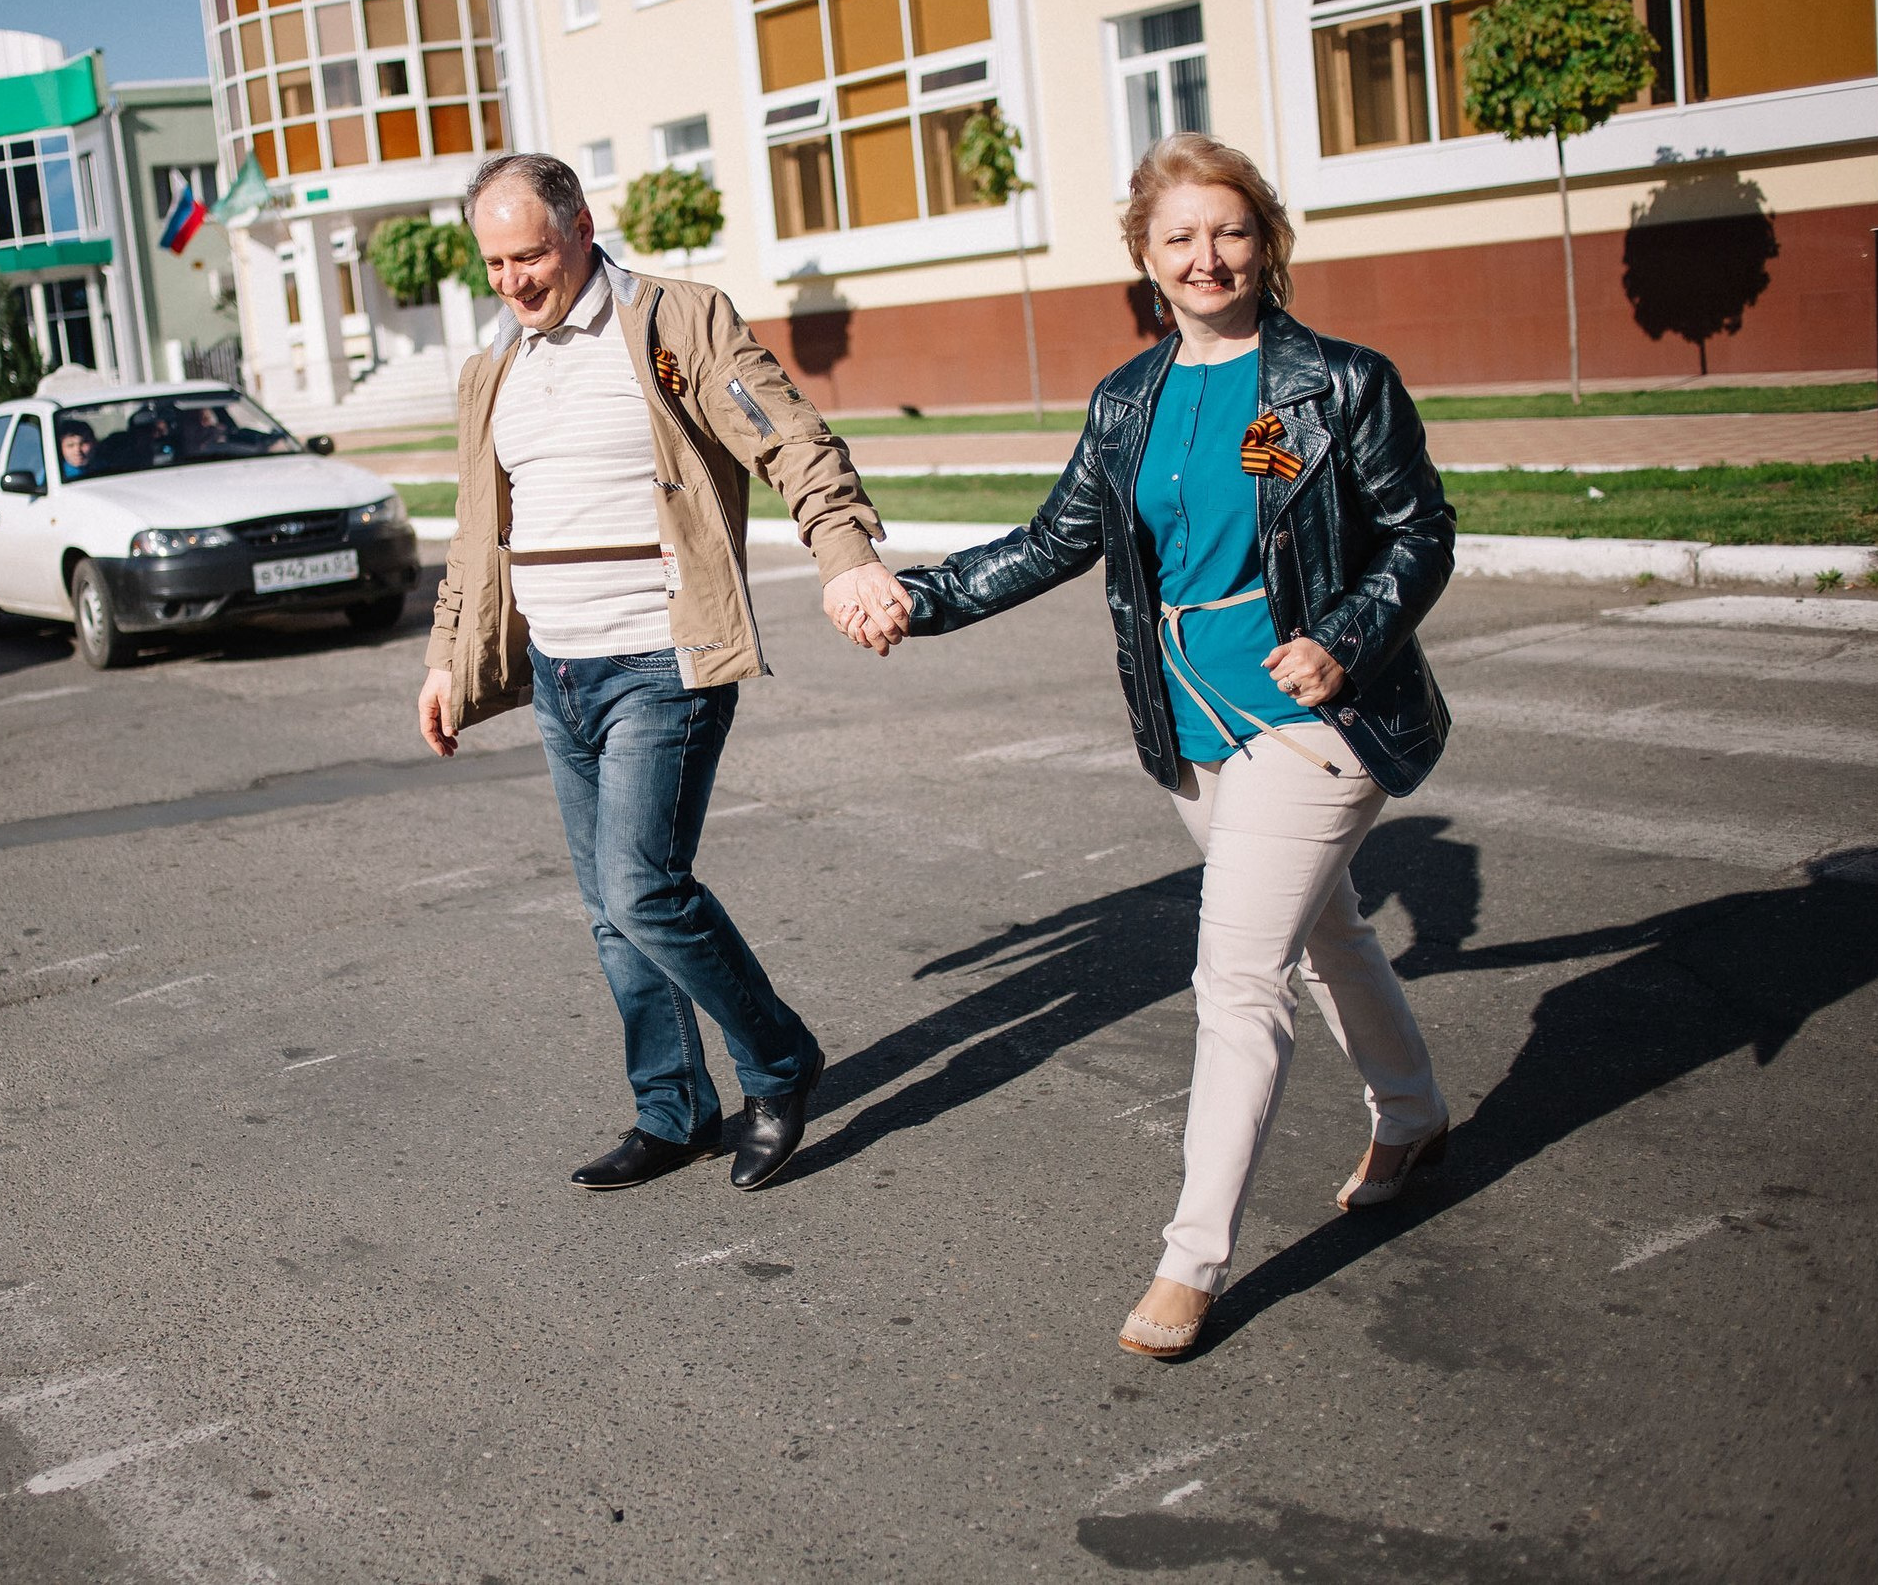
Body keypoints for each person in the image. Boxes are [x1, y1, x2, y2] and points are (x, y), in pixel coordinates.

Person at [854, 133, 1456, 1358]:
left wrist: (1342, 637)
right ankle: (1413, 1112)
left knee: (1237, 982)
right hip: (1187, 722)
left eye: (1229, 231)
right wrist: (920, 597)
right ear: (1144, 255)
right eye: (1178, 236)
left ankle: (1190, 1263)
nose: (1207, 256)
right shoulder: (1129, 398)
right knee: (1330, 929)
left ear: (1267, 242)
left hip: (1311, 718)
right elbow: (1054, 537)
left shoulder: (1338, 382)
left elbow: (1420, 533)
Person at [417, 152, 912, 1193]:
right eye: (495, 262)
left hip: (659, 659)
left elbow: (792, 442)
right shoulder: (494, 365)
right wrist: (444, 660)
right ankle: (673, 1108)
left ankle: (779, 1062)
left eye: (531, 254)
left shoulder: (677, 323)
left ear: (583, 227)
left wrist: (847, 553)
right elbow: (474, 536)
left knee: (643, 890)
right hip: (557, 669)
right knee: (608, 906)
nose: (513, 280)